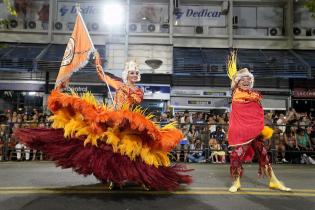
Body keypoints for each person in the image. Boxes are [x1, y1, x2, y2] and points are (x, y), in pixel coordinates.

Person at [14, 59, 191, 191]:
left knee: (135, 150)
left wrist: (125, 90)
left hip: (128, 121)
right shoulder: (118, 84)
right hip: (113, 118)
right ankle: (116, 178)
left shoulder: (137, 90)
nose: (135, 75)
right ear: (126, 74)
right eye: (132, 73)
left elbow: (137, 99)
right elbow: (104, 77)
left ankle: (145, 178)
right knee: (110, 149)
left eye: (136, 73)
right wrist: (99, 66)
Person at [226, 51, 291, 193]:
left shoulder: (255, 96)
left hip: (255, 132)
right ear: (238, 82)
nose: (246, 81)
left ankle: (274, 181)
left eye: (248, 80)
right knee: (237, 156)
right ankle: (236, 182)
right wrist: (236, 75)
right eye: (243, 79)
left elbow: (256, 113)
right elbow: (232, 85)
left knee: (263, 155)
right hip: (241, 133)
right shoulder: (236, 92)